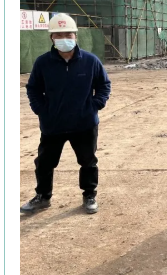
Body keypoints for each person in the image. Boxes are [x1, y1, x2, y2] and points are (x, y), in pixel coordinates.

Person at [21, 13, 111, 215]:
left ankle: (89, 195)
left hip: (84, 124)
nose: (64, 39)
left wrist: (95, 105)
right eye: (59, 35)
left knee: (88, 161)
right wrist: (41, 110)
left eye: (68, 34)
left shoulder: (90, 61)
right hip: (53, 124)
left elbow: (104, 85)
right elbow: (33, 88)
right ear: (51, 38)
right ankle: (43, 197)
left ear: (75, 36)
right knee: (44, 163)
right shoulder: (43, 63)